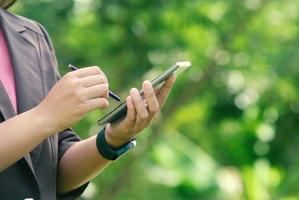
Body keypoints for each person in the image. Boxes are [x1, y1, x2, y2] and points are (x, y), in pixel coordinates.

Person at [0, 1, 176, 199]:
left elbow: (52, 173)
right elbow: (44, 118)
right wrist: (44, 116)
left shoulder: (33, 37)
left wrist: (113, 138)